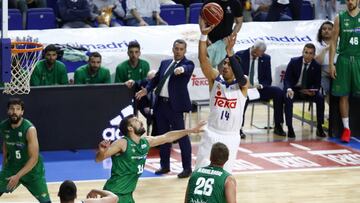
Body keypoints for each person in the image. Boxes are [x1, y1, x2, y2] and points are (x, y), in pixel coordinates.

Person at [96, 115, 206, 203]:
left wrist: (191, 130)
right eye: (135, 120)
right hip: (114, 192)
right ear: (130, 128)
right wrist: (101, 152)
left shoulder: (146, 142)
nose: (140, 121)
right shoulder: (122, 143)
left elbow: (168, 137)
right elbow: (99, 159)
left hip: (128, 194)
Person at [135, 39, 195, 178]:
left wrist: (181, 69)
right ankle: (165, 166)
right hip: (161, 104)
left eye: (181, 49)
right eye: (176, 48)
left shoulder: (188, 64)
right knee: (162, 137)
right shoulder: (165, 63)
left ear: (185, 51)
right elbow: (155, 80)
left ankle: (187, 168)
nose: (178, 51)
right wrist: (146, 90)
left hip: (175, 107)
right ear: (173, 49)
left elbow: (187, 69)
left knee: (181, 136)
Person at [196, 25, 249, 173]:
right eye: (224, 63)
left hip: (231, 137)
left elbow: (242, 79)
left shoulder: (243, 84)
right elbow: (203, 60)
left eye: (229, 64)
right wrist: (203, 36)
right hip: (212, 133)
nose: (225, 66)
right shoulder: (215, 79)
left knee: (223, 177)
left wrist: (230, 53)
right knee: (200, 171)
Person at [0, 98, 51, 203]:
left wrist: (18, 176)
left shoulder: (29, 129)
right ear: (7, 111)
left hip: (32, 170)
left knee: (45, 201)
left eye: (18, 109)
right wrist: (4, 163)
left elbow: (34, 158)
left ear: (22, 112)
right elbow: (5, 143)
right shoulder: (3, 126)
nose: (14, 112)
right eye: (12, 109)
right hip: (12, 166)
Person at [236, 40, 286, 138]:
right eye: (254, 53)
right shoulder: (240, 55)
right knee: (243, 97)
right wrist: (245, 85)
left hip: (258, 89)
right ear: (252, 47)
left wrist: (260, 86)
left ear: (262, 53)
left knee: (278, 92)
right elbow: (236, 75)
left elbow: (268, 80)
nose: (255, 56)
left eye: (259, 55)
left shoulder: (266, 58)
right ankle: (239, 128)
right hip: (244, 88)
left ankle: (278, 125)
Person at [329, 0, 360, 143]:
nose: (350, 1)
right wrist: (331, 64)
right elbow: (333, 42)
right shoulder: (339, 17)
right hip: (344, 60)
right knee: (343, 96)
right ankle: (346, 129)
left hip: (359, 59)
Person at [284, 43, 326, 138]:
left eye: (311, 53)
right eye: (306, 52)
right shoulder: (294, 61)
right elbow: (287, 79)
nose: (308, 55)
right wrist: (289, 89)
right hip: (295, 89)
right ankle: (290, 127)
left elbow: (317, 83)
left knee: (320, 98)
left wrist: (313, 91)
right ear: (302, 52)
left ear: (314, 55)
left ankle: (319, 126)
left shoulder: (316, 66)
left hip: (308, 90)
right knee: (288, 98)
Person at [200, 0, 243, 67]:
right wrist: (206, 38)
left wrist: (232, 35)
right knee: (209, 69)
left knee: (228, 69)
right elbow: (202, 19)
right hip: (211, 40)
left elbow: (239, 22)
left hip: (226, 42)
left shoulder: (235, 2)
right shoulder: (209, 1)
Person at [315, 21, 334, 103]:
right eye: (324, 29)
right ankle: (333, 113)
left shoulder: (340, 42)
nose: (326, 31)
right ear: (320, 31)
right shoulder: (316, 44)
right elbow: (317, 62)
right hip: (322, 70)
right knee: (326, 90)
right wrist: (325, 49)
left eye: (329, 29)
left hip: (339, 68)